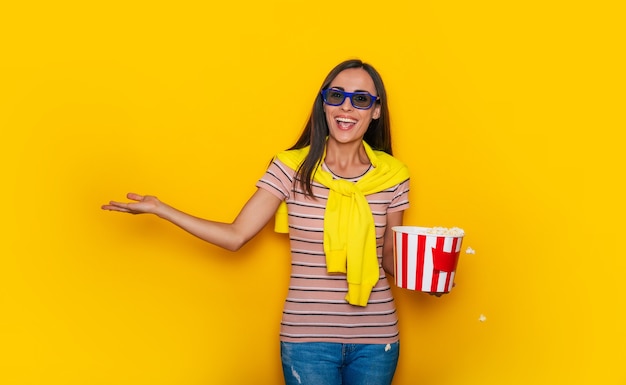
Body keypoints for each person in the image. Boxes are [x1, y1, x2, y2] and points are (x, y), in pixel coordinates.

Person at [102, 59, 411, 385]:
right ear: (324, 104)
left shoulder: (393, 176)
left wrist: (431, 275)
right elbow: (236, 235)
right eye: (336, 96)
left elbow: (389, 257)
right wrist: (161, 208)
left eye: (361, 99)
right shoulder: (290, 168)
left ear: (376, 110)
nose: (346, 107)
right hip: (307, 340)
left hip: (378, 338)